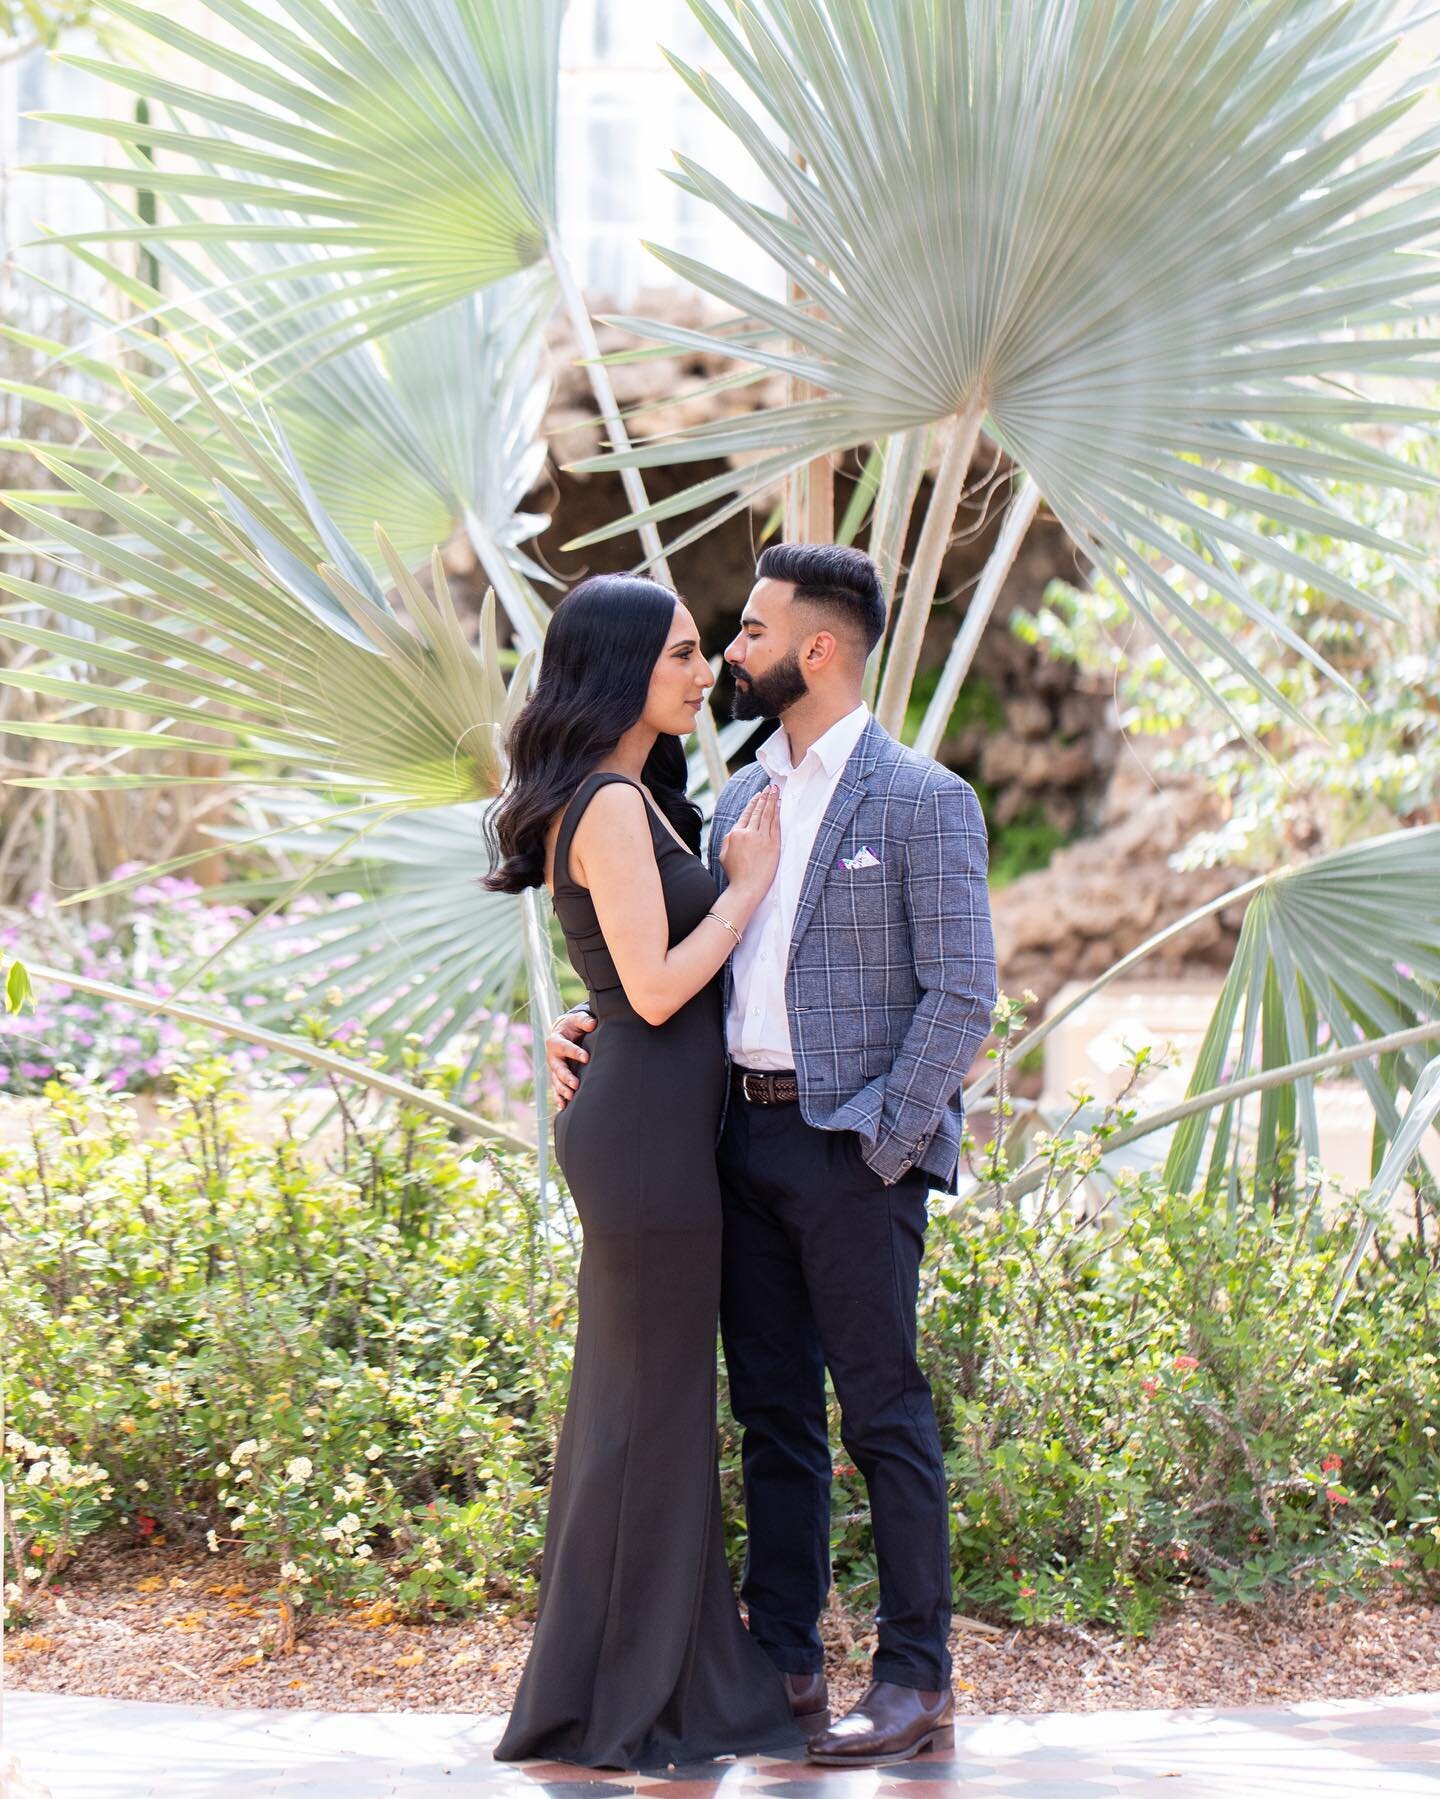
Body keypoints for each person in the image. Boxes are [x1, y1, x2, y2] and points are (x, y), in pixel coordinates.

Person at [547, 542, 998, 1770]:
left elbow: (963, 998)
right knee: (775, 1411)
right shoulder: (734, 790)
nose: (730, 655)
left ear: (817, 648)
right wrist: (585, 1018)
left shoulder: (923, 799)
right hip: (729, 1141)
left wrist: (884, 1145)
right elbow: (662, 944)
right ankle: (787, 1656)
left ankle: (915, 1676)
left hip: (851, 1149)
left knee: (883, 1411)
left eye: (748, 633)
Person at [483, 573, 802, 1771]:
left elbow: (624, 981)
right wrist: (749, 891)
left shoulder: (641, 796)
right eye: (678, 652)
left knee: (644, 1409)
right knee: (642, 1411)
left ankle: (623, 1681)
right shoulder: (612, 804)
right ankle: (627, 1698)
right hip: (641, 1142)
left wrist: (595, 1013)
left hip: (657, 1128)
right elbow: (662, 986)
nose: (702, 667)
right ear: (623, 669)